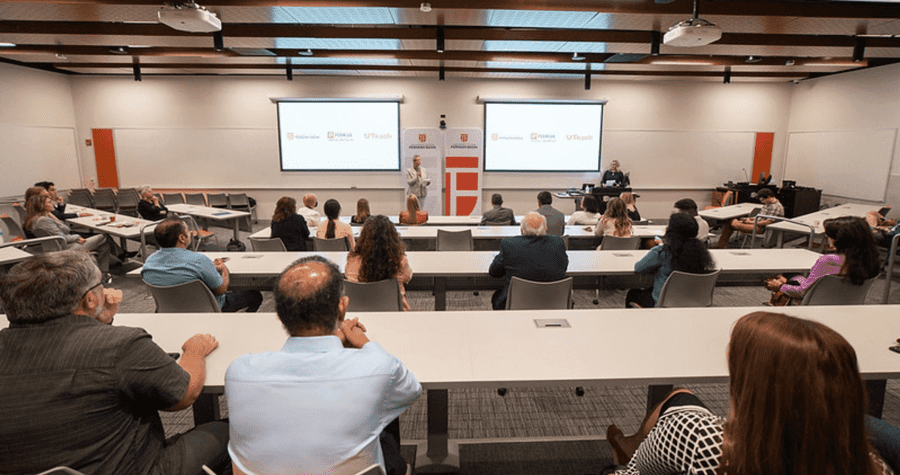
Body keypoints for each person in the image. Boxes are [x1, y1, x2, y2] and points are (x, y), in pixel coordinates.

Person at [0, 250, 229, 475]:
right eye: (101, 283)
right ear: (90, 299)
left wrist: (101, 321)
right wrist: (195, 351)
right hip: (134, 467)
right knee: (233, 429)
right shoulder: (121, 345)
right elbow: (182, 395)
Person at [606, 311, 895, 475]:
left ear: (750, 380)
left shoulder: (698, 436)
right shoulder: (873, 463)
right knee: (681, 395)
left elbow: (636, 473)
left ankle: (630, 445)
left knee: (679, 399)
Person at [225, 255, 422, 475]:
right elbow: (411, 390)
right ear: (343, 307)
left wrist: (335, 340)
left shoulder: (239, 371)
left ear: (279, 315)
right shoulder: (379, 367)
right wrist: (364, 343)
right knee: (381, 415)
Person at [142, 218, 263, 312]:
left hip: (168, 311)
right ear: (182, 238)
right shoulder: (199, 260)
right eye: (188, 232)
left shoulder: (149, 262)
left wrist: (209, 268)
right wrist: (224, 269)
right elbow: (221, 289)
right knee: (254, 295)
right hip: (208, 309)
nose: (190, 234)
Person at [766, 216, 880, 301]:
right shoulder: (871, 260)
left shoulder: (828, 261)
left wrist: (780, 286)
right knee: (797, 278)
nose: (827, 238)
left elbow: (801, 293)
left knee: (786, 282)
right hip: (848, 307)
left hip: (814, 307)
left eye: (829, 235)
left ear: (839, 239)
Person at [626, 213, 716, 308]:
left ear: (671, 230)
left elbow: (639, 268)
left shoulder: (662, 252)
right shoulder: (701, 254)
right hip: (694, 303)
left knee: (633, 294)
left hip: (664, 303)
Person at [489, 212, 569, 310]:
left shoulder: (509, 244)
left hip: (517, 301)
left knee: (498, 296)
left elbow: (494, 272)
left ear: (521, 230)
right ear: (545, 228)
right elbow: (563, 267)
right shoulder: (558, 243)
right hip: (555, 300)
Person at [23, 195, 116, 271]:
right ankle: (102, 271)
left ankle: (102, 271)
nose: (52, 204)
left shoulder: (35, 219)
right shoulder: (43, 221)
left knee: (104, 244)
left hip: (59, 246)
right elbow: (62, 237)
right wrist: (77, 237)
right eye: (49, 202)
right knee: (103, 237)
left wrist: (49, 214)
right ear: (41, 206)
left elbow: (60, 233)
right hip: (65, 248)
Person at [345, 215, 413, 311]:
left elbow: (349, 277)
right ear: (392, 236)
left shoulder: (352, 259)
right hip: (394, 311)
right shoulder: (399, 260)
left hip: (359, 310)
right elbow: (407, 278)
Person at [717, 188, 783, 248]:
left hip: (760, 228)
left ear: (768, 197)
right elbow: (760, 217)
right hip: (756, 224)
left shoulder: (775, 206)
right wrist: (749, 219)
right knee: (730, 223)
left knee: (732, 223)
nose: (762, 202)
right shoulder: (768, 204)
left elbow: (768, 222)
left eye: (763, 200)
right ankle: (721, 245)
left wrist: (750, 222)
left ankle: (721, 246)